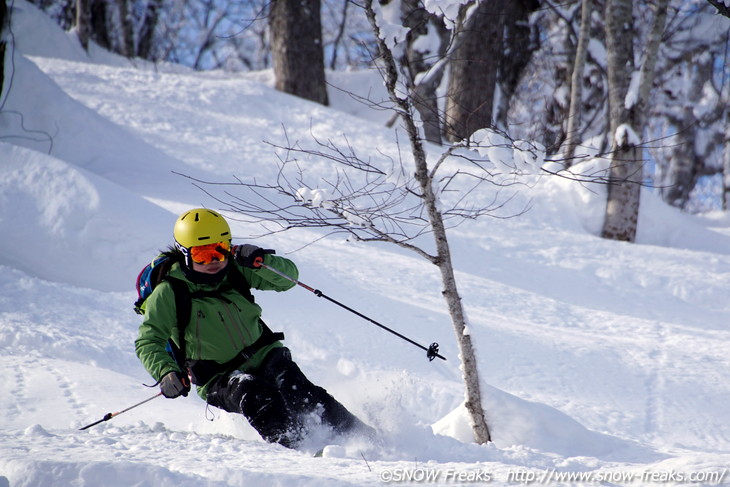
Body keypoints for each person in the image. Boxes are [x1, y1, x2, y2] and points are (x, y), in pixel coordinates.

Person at [135, 208, 371, 448]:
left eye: (220, 250)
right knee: (255, 394)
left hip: (265, 354)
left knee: (299, 390)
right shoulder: (169, 292)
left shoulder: (235, 270)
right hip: (219, 376)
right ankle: (302, 451)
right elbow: (148, 340)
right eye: (202, 255)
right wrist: (165, 371)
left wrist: (261, 261)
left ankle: (365, 439)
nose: (214, 261)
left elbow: (289, 279)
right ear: (184, 254)